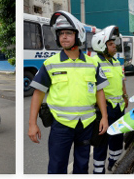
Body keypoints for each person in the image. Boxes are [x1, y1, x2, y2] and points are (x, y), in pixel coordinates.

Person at [27, 11, 109, 174]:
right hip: (61, 125)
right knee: (57, 167)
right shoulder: (50, 63)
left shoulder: (93, 63)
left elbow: (100, 91)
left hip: (86, 124)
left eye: (68, 33)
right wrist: (32, 124)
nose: (64, 37)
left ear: (78, 36)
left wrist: (104, 118)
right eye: (61, 34)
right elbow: (38, 93)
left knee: (82, 165)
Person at [87, 26, 130, 174]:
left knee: (118, 138)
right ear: (101, 45)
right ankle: (99, 171)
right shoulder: (93, 62)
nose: (115, 46)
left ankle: (114, 163)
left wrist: (125, 95)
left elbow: (121, 80)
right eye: (111, 44)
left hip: (118, 107)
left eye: (114, 44)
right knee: (101, 142)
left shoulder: (116, 61)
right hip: (103, 109)